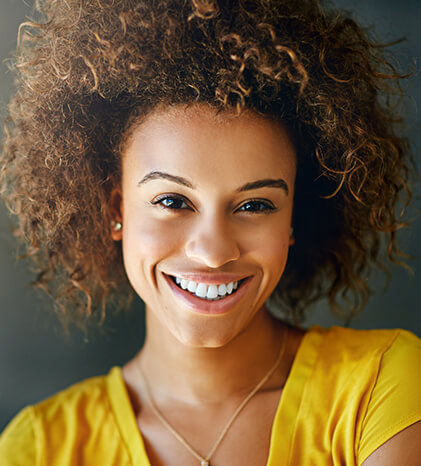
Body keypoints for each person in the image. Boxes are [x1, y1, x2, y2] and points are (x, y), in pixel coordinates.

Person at [0, 0, 420, 464]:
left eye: (255, 205)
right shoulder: (38, 449)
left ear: (294, 217)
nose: (213, 252)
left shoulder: (382, 389)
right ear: (116, 207)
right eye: (172, 202)